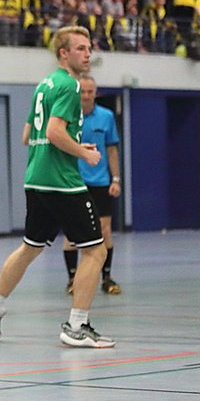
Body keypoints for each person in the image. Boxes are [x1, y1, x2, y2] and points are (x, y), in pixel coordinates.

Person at [0, 25, 116, 349]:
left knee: (31, 247)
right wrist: (85, 153)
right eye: (80, 48)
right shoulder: (68, 85)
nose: (87, 53)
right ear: (63, 53)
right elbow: (54, 132)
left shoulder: (44, 85)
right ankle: (77, 325)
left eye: (89, 47)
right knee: (95, 250)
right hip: (62, 182)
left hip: (35, 179)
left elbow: (28, 136)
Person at [63, 74, 123, 294]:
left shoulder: (106, 117)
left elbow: (112, 150)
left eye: (90, 92)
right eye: (83, 92)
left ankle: (106, 278)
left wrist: (115, 179)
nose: (86, 96)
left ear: (95, 93)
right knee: (72, 233)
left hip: (100, 183)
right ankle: (72, 279)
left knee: (104, 230)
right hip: (74, 182)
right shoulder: (67, 117)